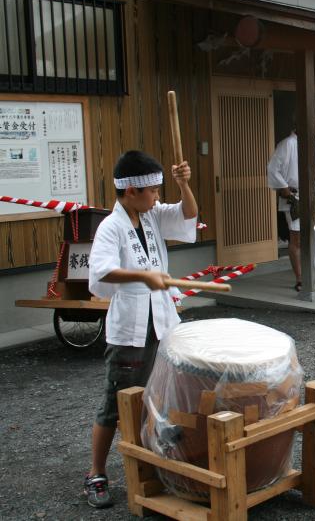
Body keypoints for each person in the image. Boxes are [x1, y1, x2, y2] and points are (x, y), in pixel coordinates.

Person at [85, 150, 198, 508]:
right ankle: (96, 473)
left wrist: (184, 184)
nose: (157, 197)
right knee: (115, 405)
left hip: (160, 324)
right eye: (152, 190)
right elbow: (101, 272)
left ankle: (152, 463)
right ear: (131, 191)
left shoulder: (150, 216)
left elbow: (188, 214)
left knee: (158, 395)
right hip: (129, 329)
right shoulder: (112, 226)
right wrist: (143, 275)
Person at [267, 120, 315, 292]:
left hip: (312, 195)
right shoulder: (287, 144)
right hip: (294, 196)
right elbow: (272, 169)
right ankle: (300, 278)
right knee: (296, 238)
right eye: (313, 122)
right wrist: (284, 189)